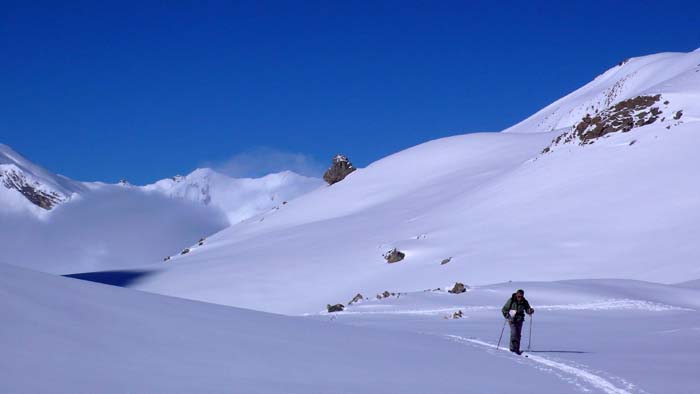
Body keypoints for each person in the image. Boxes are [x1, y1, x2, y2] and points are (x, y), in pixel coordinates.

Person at [501, 289, 534, 355]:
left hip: (520, 319)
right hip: (511, 319)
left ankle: (517, 348)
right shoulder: (511, 300)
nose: (520, 298)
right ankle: (513, 349)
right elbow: (504, 309)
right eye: (519, 296)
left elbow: (527, 309)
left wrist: (530, 311)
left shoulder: (524, 301)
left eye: (521, 296)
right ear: (516, 295)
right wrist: (506, 314)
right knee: (514, 333)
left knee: (518, 334)